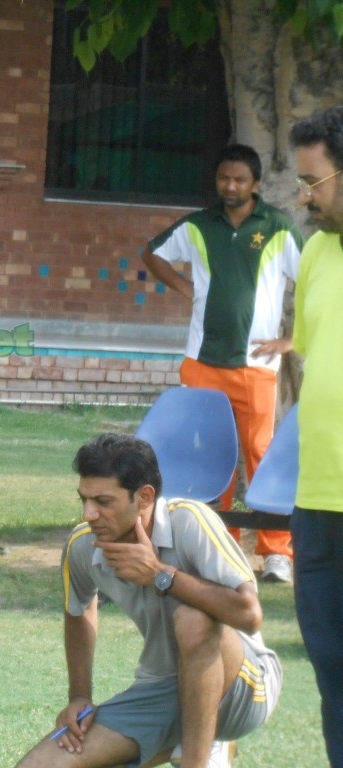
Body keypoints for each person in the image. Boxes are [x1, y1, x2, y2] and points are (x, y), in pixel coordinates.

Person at [15, 433, 281, 768]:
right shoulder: (82, 546)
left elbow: (249, 614)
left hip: (244, 686)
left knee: (193, 620)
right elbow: (78, 611)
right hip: (162, 689)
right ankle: (183, 741)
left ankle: (198, 757)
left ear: (144, 497)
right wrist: (79, 695)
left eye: (103, 501)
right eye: (83, 499)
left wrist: (161, 575)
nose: (88, 514)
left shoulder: (191, 521)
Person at [142, 144, 304, 585]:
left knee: (260, 457)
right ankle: (223, 545)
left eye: (239, 180)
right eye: (223, 179)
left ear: (255, 184)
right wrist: (182, 287)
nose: (229, 186)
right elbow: (152, 253)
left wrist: (292, 339)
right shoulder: (198, 225)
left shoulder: (278, 227)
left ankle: (275, 554)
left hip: (256, 365)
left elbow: (311, 280)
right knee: (209, 458)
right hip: (201, 363)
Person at [288, 106, 343, 768]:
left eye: (314, 181)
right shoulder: (315, 251)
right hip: (317, 502)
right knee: (332, 675)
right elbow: (306, 360)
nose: (304, 197)